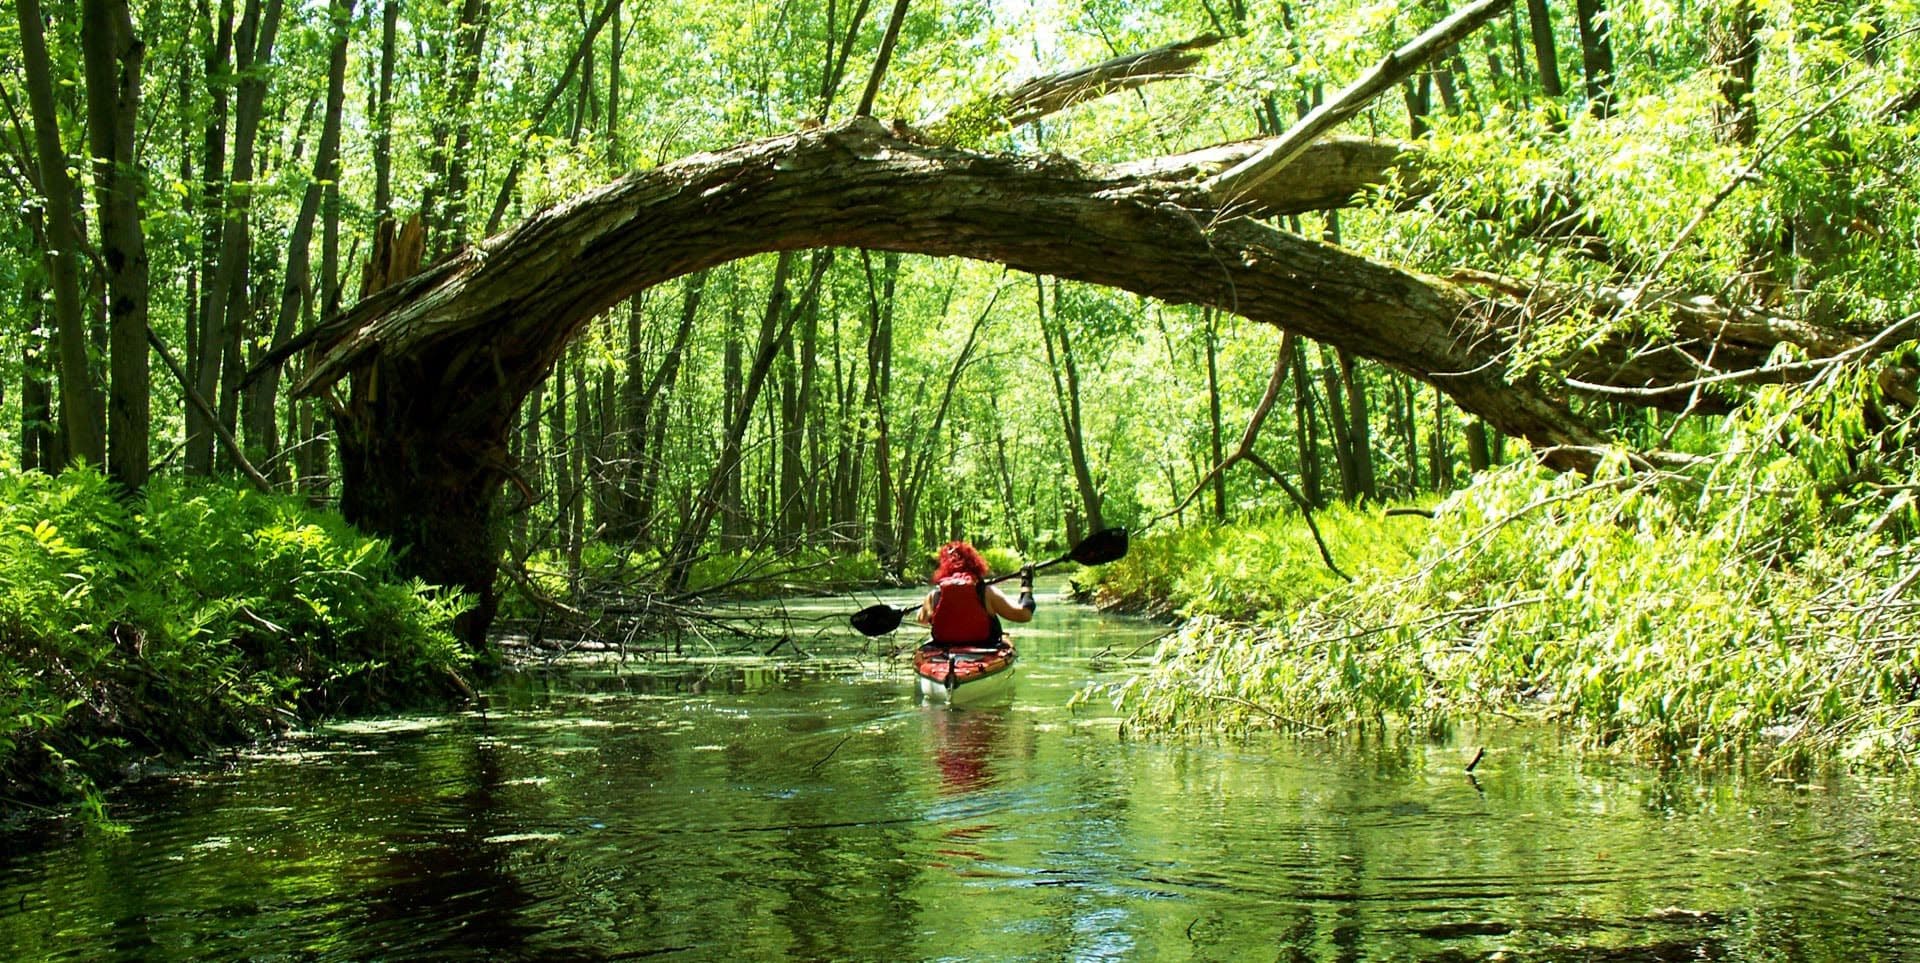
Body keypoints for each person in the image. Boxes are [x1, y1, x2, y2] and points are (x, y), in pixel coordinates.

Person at [916, 541, 1035, 647]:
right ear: (975, 565)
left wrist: (925, 607)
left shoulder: (933, 596)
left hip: (945, 653)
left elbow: (921, 620)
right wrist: (1026, 582)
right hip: (985, 649)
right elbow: (1024, 615)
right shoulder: (987, 592)